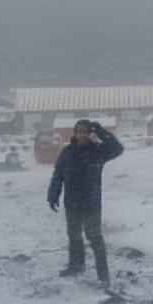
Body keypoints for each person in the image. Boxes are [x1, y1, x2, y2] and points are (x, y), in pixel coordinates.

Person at [47, 119, 124, 284]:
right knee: (74, 235)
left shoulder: (98, 151)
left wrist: (102, 131)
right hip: (72, 203)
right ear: (74, 133)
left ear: (90, 134)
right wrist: (53, 194)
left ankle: (103, 276)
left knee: (95, 238)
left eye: (84, 132)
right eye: (78, 132)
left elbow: (118, 148)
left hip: (91, 204)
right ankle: (76, 265)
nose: (80, 135)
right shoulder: (67, 153)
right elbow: (58, 174)